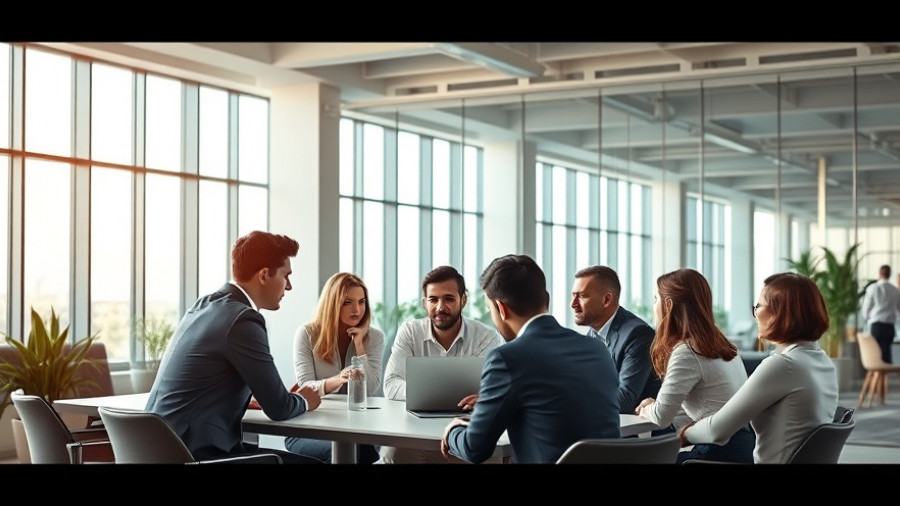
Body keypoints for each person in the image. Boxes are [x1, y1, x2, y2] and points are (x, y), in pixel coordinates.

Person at [144, 230, 323, 464]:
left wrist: (243, 399)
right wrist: (305, 399)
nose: (288, 286)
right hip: (196, 457)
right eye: (286, 276)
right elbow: (280, 408)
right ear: (264, 275)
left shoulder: (204, 304)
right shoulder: (243, 319)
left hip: (159, 450)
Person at [441, 254, 620, 464]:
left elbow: (475, 449)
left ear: (501, 308)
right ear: (545, 299)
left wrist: (454, 430)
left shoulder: (507, 358)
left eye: (491, 309)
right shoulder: (597, 348)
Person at [680, 272, 838, 463]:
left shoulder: (784, 366)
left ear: (779, 313)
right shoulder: (823, 362)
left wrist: (683, 434)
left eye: (758, 306)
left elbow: (717, 431)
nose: (755, 314)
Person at [380, 265, 504, 464]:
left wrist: (482, 397)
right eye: (433, 299)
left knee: (489, 457)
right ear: (424, 302)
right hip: (414, 428)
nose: (440, 307)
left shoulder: (486, 337)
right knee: (393, 454)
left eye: (449, 299)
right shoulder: (410, 332)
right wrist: (430, 394)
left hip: (466, 429)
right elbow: (391, 384)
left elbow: (490, 391)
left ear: (463, 300)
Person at [636, 268, 755, 464]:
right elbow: (698, 408)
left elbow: (660, 418)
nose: (653, 306)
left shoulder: (688, 351)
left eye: (655, 299)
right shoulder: (724, 345)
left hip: (716, 452)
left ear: (668, 305)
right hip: (742, 447)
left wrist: (647, 408)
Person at [284, 272, 384, 464]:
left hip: (358, 428)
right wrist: (338, 379)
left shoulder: (375, 337)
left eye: (361, 302)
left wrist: (359, 346)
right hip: (309, 429)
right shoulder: (306, 334)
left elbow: (370, 388)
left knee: (362, 448)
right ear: (332, 303)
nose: (357, 309)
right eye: (347, 302)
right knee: (355, 451)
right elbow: (305, 387)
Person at [571, 265, 661, 415]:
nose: (573, 304)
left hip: (637, 427)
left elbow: (624, 399)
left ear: (606, 299)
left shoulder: (638, 334)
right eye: (573, 295)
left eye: (582, 296)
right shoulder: (591, 335)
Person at [862, 265, 900, 363]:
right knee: (886, 354)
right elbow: (898, 310)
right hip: (889, 327)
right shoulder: (896, 290)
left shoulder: (872, 288)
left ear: (879, 274)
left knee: (876, 354)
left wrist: (868, 317)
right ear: (889, 274)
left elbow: (866, 307)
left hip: (876, 325)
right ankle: (885, 372)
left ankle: (877, 371)